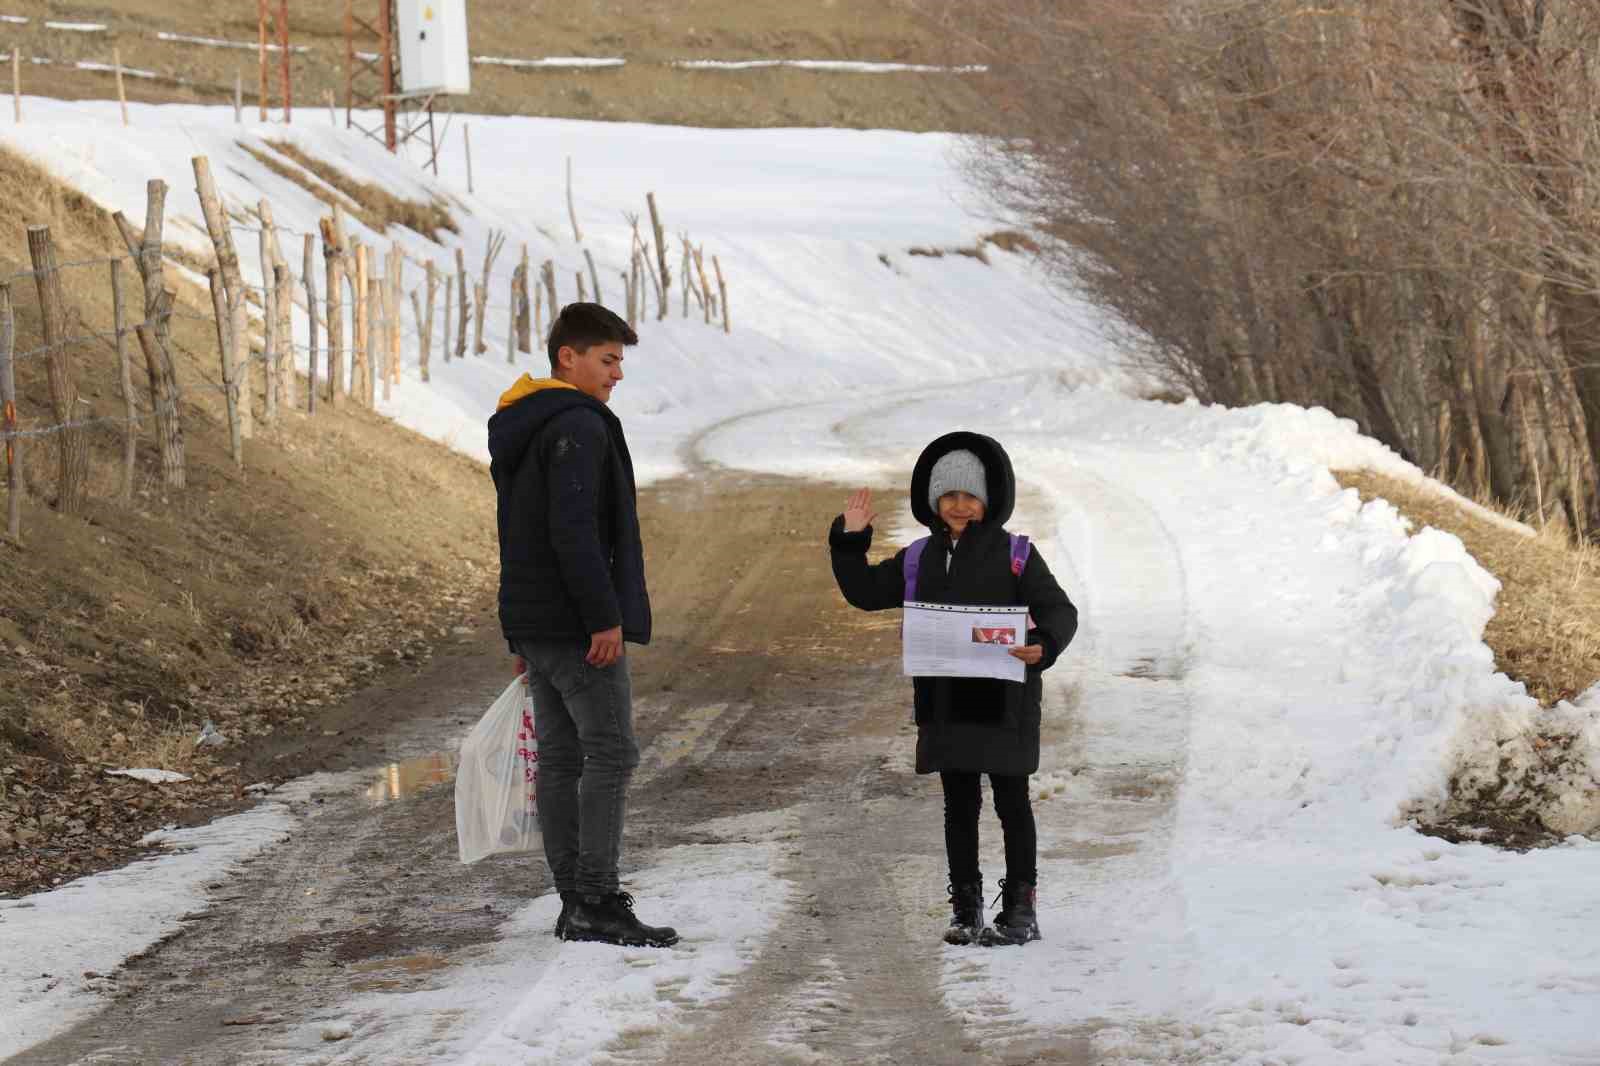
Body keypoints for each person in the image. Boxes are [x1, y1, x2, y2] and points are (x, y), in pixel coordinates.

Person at [828, 432, 1078, 946]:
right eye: (949, 496)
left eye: (969, 495)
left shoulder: (1016, 556)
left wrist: (1045, 644)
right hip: (947, 701)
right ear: (933, 502)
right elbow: (865, 593)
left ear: (988, 500)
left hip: (1006, 698)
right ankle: (966, 908)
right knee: (959, 805)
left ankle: (1019, 910)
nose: (959, 505)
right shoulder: (918, 558)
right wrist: (851, 540)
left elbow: (1059, 610)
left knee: (1012, 802)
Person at [487, 301, 677, 948]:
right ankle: (595, 896)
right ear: (567, 357)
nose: (617, 373)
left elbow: (516, 532)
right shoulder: (579, 425)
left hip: (538, 622)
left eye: (620, 360)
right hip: (574, 624)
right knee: (613, 752)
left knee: (564, 757)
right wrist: (604, 616)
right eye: (608, 358)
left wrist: (521, 634)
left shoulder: (525, 421)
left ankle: (575, 900)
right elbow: (573, 531)